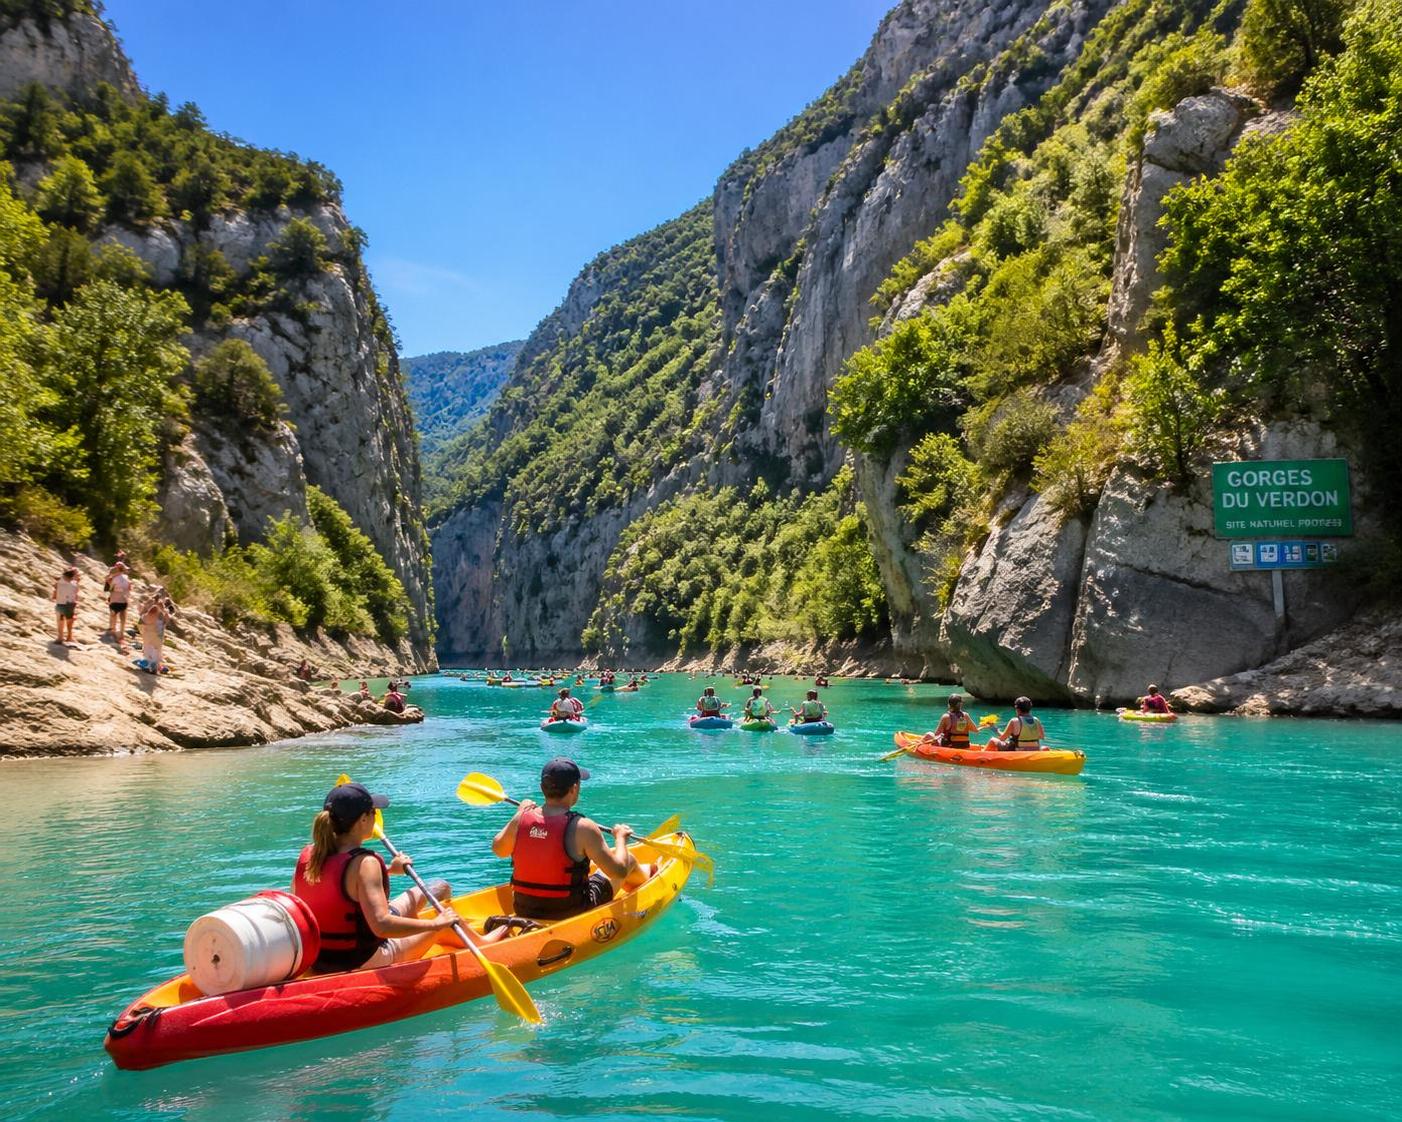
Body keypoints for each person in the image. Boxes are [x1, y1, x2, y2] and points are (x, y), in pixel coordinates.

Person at [292, 782, 484, 974]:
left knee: (440, 887)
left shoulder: (310, 854)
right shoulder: (366, 863)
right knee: (445, 924)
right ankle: (486, 943)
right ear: (364, 820)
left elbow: (334, 886)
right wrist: (435, 924)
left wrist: (390, 869)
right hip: (361, 959)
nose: (376, 816)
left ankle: (420, 927)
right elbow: (382, 926)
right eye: (373, 812)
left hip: (318, 958)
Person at [491, 758, 655, 921]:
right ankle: (651, 879)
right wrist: (620, 838)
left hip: (524, 908)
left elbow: (499, 850)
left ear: (542, 788)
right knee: (629, 860)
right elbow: (619, 871)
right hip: (571, 910)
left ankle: (646, 874)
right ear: (575, 788)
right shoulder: (583, 827)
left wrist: (519, 813)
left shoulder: (521, 819)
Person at [136, 594, 169, 673]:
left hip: (148, 636)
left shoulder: (145, 616)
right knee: (156, 652)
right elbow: (164, 624)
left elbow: (140, 624)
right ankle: (154, 666)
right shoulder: (160, 619)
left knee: (148, 651)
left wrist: (143, 632)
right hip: (157, 637)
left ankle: (150, 665)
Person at [106, 561, 131, 652]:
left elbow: (111, 589)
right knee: (123, 617)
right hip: (123, 600)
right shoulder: (127, 578)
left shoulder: (114, 578)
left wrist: (109, 582)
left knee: (113, 615)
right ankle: (122, 632)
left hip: (114, 599)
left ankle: (112, 630)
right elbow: (129, 589)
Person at [52, 566, 79, 645]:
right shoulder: (71, 583)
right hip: (67, 604)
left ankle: (62, 637)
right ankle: (67, 637)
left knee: (62, 621)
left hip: (64, 604)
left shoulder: (63, 581)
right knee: (67, 621)